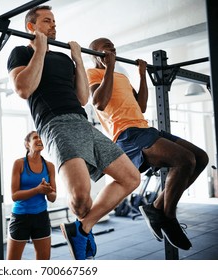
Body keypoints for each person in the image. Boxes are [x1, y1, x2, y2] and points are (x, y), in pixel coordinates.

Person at [7, 6, 141, 260]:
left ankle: (82, 227)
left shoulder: (64, 59)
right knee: (81, 198)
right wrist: (39, 50)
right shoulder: (21, 52)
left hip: (82, 122)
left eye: (55, 21)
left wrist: (78, 60)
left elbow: (82, 98)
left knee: (131, 177)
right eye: (47, 21)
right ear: (31, 27)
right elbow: (24, 89)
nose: (54, 25)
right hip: (55, 123)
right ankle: (82, 224)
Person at [86, 37, 209, 250]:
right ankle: (168, 217)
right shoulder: (93, 74)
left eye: (113, 47)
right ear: (94, 54)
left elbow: (141, 105)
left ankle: (156, 208)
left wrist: (142, 75)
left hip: (144, 128)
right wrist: (109, 67)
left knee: (200, 158)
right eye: (106, 48)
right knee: (184, 160)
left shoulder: (121, 77)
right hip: (127, 134)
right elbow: (99, 102)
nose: (112, 50)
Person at [6, 131, 57, 260]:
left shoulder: (49, 166)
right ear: (27, 144)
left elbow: (53, 197)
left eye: (41, 137)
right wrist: (37, 190)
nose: (39, 140)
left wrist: (48, 191)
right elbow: (14, 195)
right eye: (35, 138)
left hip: (41, 216)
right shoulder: (19, 164)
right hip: (21, 217)